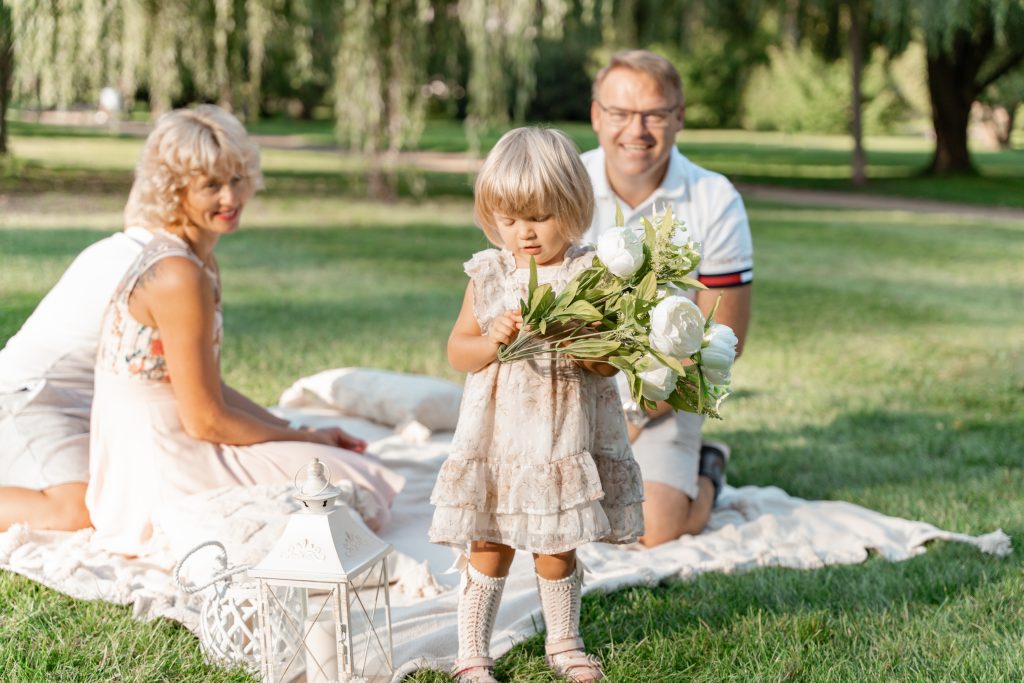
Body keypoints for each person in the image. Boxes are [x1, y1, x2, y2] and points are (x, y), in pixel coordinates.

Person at [84, 105, 404, 556]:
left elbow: (209, 388)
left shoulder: (196, 259)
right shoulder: (178, 274)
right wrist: (306, 437)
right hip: (157, 460)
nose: (230, 199)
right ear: (174, 190)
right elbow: (205, 419)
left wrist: (293, 427)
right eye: (211, 186)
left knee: (346, 473)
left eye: (237, 180)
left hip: (168, 434)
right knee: (345, 489)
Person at [429, 127, 644, 683]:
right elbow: (459, 351)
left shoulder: (588, 275)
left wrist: (583, 337)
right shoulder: (489, 273)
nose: (524, 232)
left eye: (539, 217)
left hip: (559, 438)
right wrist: (493, 338)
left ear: (571, 208)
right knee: (489, 541)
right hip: (499, 436)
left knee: (556, 543)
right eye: (509, 218)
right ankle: (473, 651)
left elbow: (607, 364)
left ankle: (564, 641)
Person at [582, 50, 753, 546]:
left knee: (652, 529)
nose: (637, 130)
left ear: (678, 117)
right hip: (576, 390)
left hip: (666, 394)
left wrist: (637, 415)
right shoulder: (564, 185)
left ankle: (706, 469)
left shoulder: (714, 199)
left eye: (654, 114)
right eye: (620, 113)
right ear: (596, 116)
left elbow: (726, 335)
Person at [0, 218, 152, 532]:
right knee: (78, 510)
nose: (229, 198)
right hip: (28, 398)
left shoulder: (143, 253)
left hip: (76, 409)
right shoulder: (140, 262)